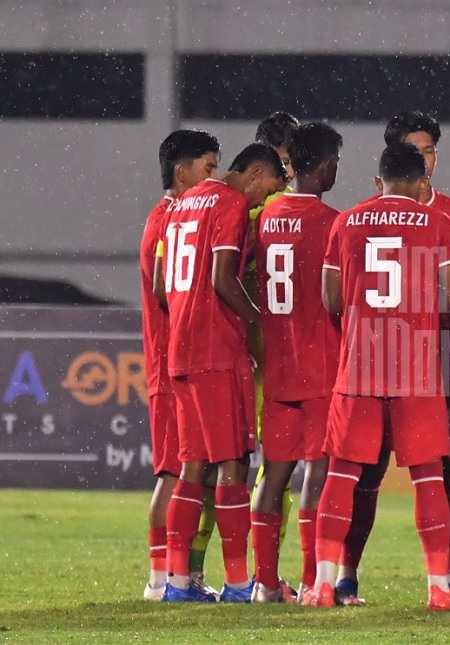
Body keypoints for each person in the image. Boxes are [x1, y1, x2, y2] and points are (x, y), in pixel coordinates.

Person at [303, 142, 450, 612]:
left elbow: (331, 298)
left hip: (360, 365)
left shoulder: (346, 221)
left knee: (341, 473)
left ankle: (323, 584)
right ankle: (439, 587)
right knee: (428, 477)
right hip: (415, 367)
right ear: (422, 185)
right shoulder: (436, 222)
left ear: (380, 180)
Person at [155, 143, 287, 602]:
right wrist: (259, 321)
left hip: (181, 351)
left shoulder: (181, 204)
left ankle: (176, 583)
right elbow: (222, 277)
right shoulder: (229, 202)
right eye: (265, 190)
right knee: (233, 464)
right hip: (216, 350)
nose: (258, 202)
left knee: (193, 468)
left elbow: (160, 287)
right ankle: (235, 583)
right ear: (253, 174)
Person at [250, 122, 343, 603]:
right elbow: (341, 298)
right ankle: (312, 580)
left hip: (279, 366)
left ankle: (263, 583)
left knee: (274, 475)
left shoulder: (265, 216)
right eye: (336, 163)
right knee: (319, 475)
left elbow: (240, 273)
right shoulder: (334, 221)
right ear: (325, 166)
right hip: (321, 366)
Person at [140, 129, 220, 601]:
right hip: (173, 365)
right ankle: (162, 579)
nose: (212, 179)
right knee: (176, 472)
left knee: (190, 471)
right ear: (180, 171)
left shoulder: (173, 217)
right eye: (207, 168)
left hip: (177, 362)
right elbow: (162, 291)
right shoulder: (168, 219)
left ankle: (174, 576)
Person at [247, 112, 299, 596]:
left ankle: (185, 573)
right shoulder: (287, 207)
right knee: (276, 466)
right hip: (277, 355)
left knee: (215, 465)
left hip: (243, 352)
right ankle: (266, 577)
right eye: (285, 163)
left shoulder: (233, 208)